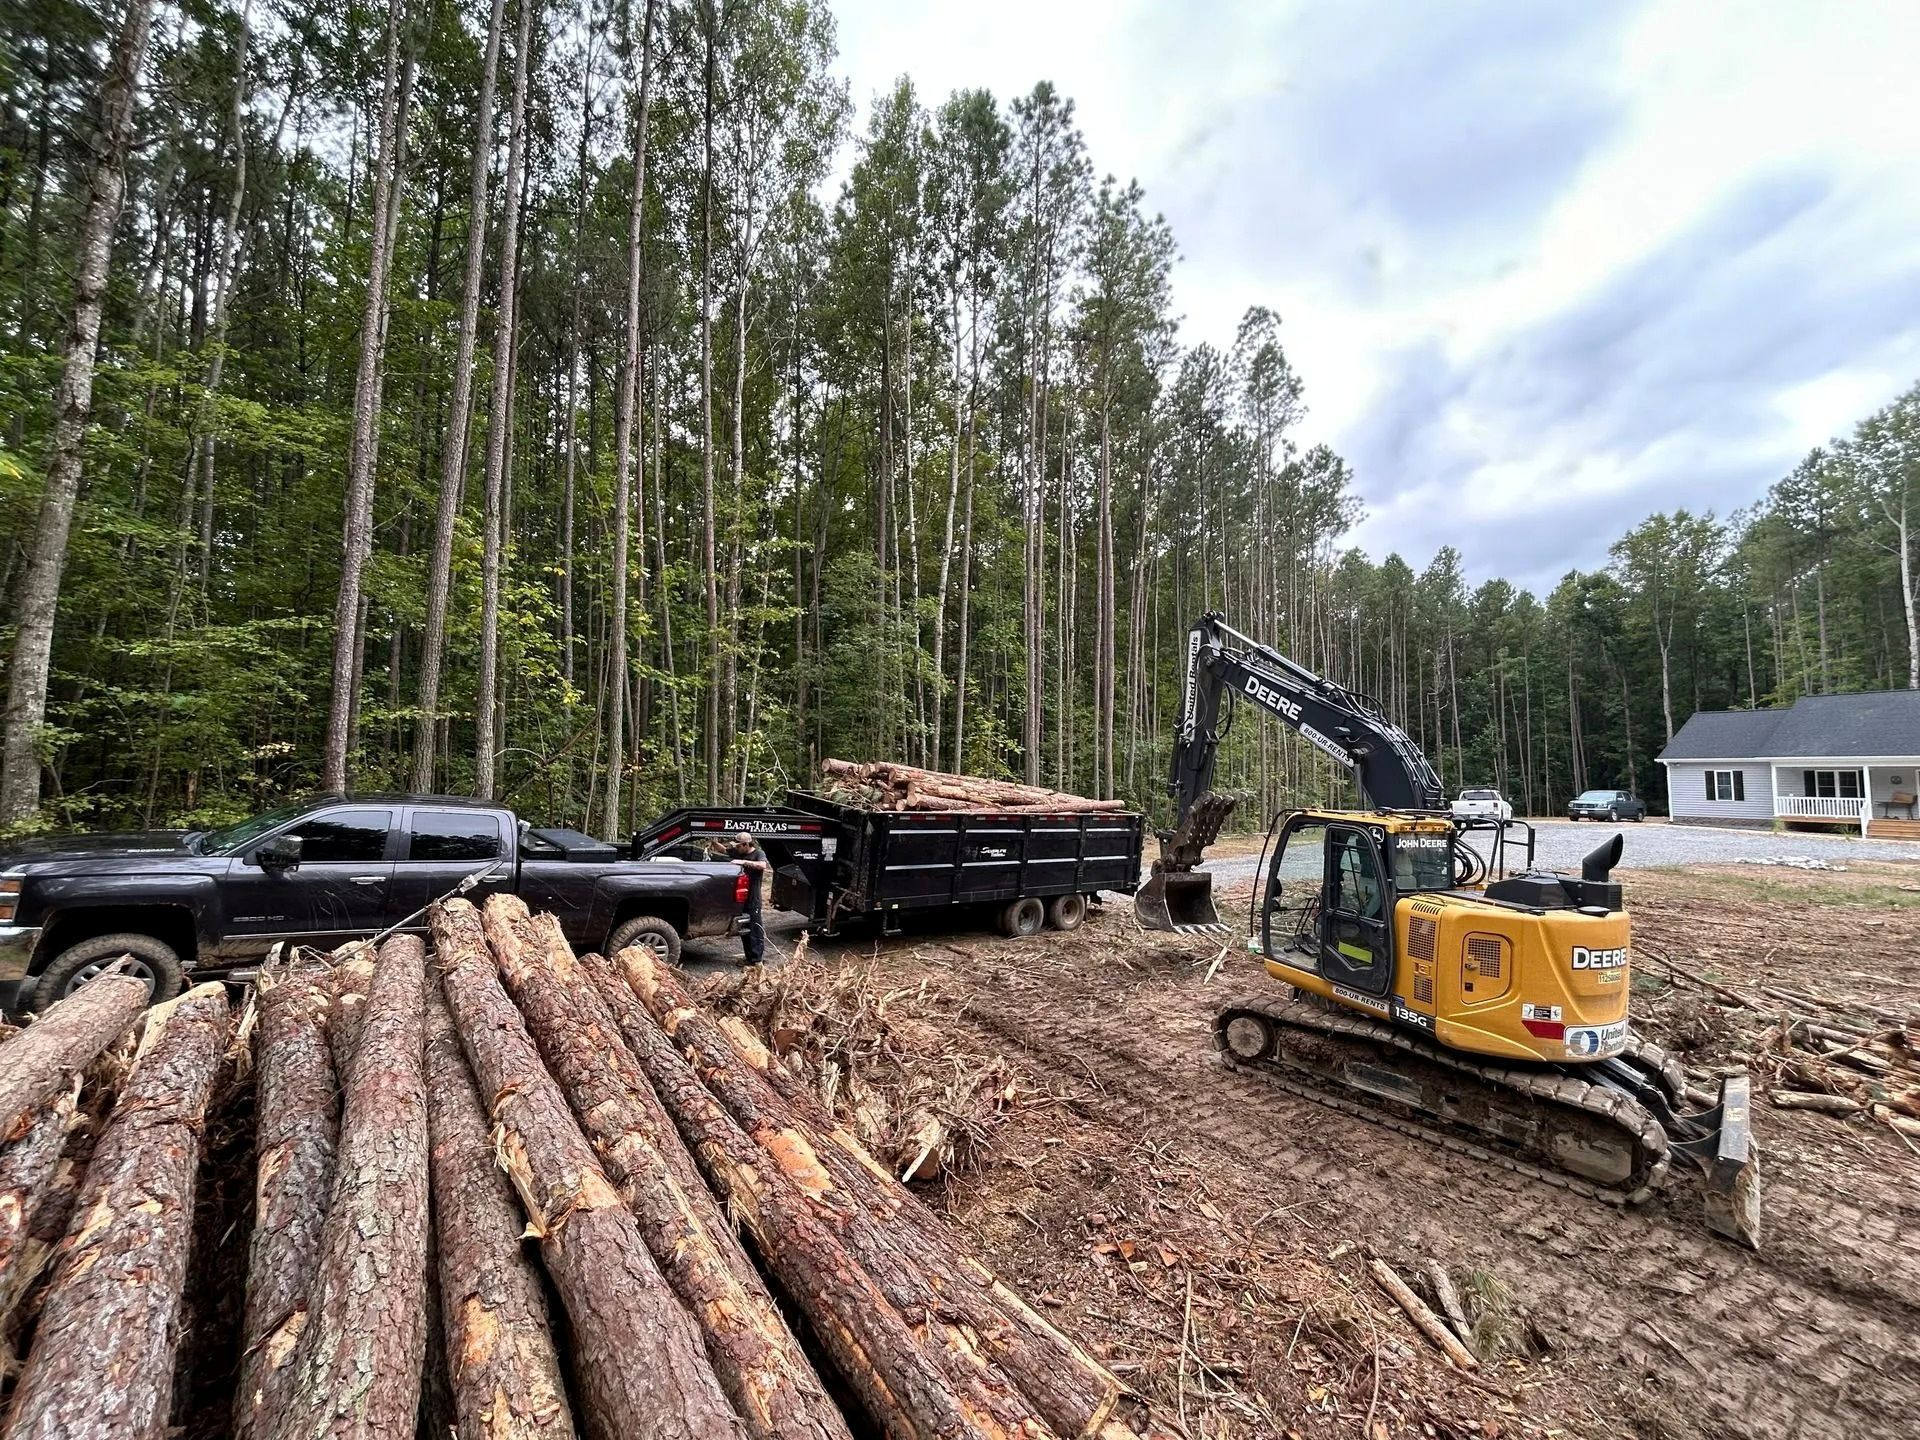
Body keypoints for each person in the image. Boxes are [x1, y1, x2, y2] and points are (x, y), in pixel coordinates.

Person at [722, 830, 771, 966]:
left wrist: (742, 862)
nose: (736, 848)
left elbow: (763, 865)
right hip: (741, 899)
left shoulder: (758, 854)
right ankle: (749, 958)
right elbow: (725, 850)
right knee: (744, 929)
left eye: (738, 846)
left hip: (753, 899)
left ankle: (757, 960)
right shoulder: (740, 851)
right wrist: (713, 842)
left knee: (755, 929)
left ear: (745, 844)